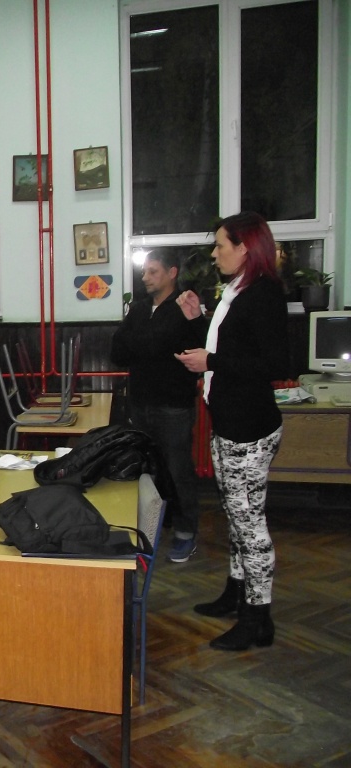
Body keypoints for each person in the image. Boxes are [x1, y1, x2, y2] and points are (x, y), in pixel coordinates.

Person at [176, 211, 289, 652]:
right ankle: (236, 592)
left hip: (249, 429)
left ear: (245, 248)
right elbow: (231, 343)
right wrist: (198, 318)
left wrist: (212, 362)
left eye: (221, 245)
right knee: (236, 516)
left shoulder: (264, 293)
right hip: (230, 423)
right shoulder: (238, 289)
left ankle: (258, 619)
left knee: (250, 524)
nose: (215, 253)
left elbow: (274, 363)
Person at [111, 251, 208, 563]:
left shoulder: (185, 306)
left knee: (179, 470)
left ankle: (186, 532)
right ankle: (150, 528)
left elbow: (198, 348)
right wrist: (151, 345)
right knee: (147, 470)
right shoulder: (139, 309)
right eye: (144, 272)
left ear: (172, 273)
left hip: (174, 406)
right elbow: (117, 351)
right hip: (140, 403)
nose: (145, 277)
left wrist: (145, 345)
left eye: (153, 271)